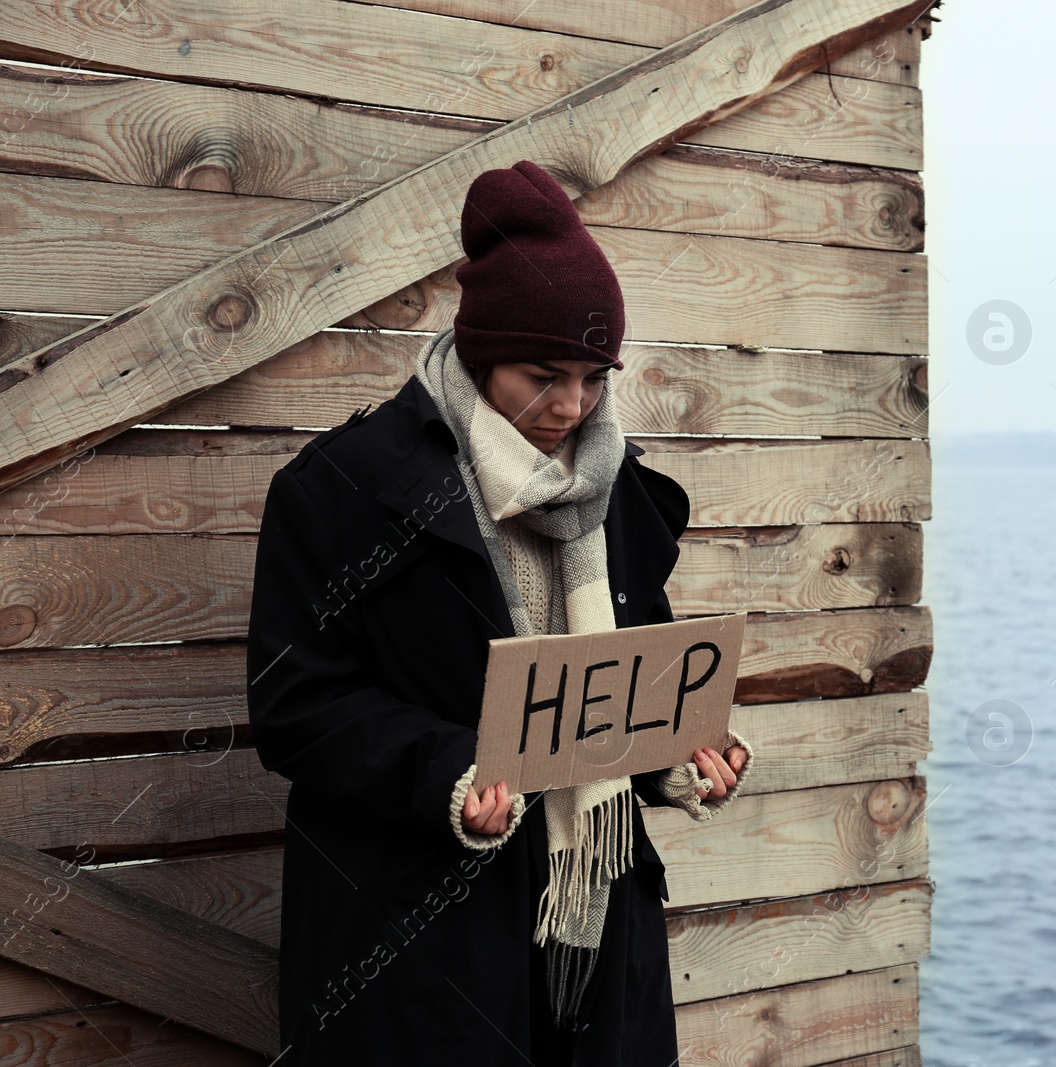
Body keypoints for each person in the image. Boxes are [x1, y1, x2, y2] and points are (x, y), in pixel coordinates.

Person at [245, 159, 753, 1066]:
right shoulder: (340, 488)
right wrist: (452, 767)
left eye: (595, 376)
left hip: (599, 931)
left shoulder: (625, 493)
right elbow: (298, 706)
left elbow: (630, 686)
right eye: (542, 373)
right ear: (479, 350)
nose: (571, 405)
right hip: (422, 938)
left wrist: (686, 754)